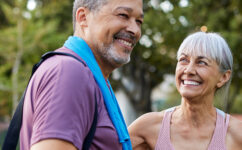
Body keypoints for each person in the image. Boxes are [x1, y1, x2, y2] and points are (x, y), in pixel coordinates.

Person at [19, 0, 144, 149]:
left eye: (139, 21)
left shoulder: (88, 76)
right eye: (123, 15)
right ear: (83, 17)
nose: (135, 30)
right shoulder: (70, 73)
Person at [129, 32, 242, 150]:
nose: (189, 70)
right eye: (183, 60)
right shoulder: (148, 127)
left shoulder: (237, 134)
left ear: (223, 77)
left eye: (201, 62)